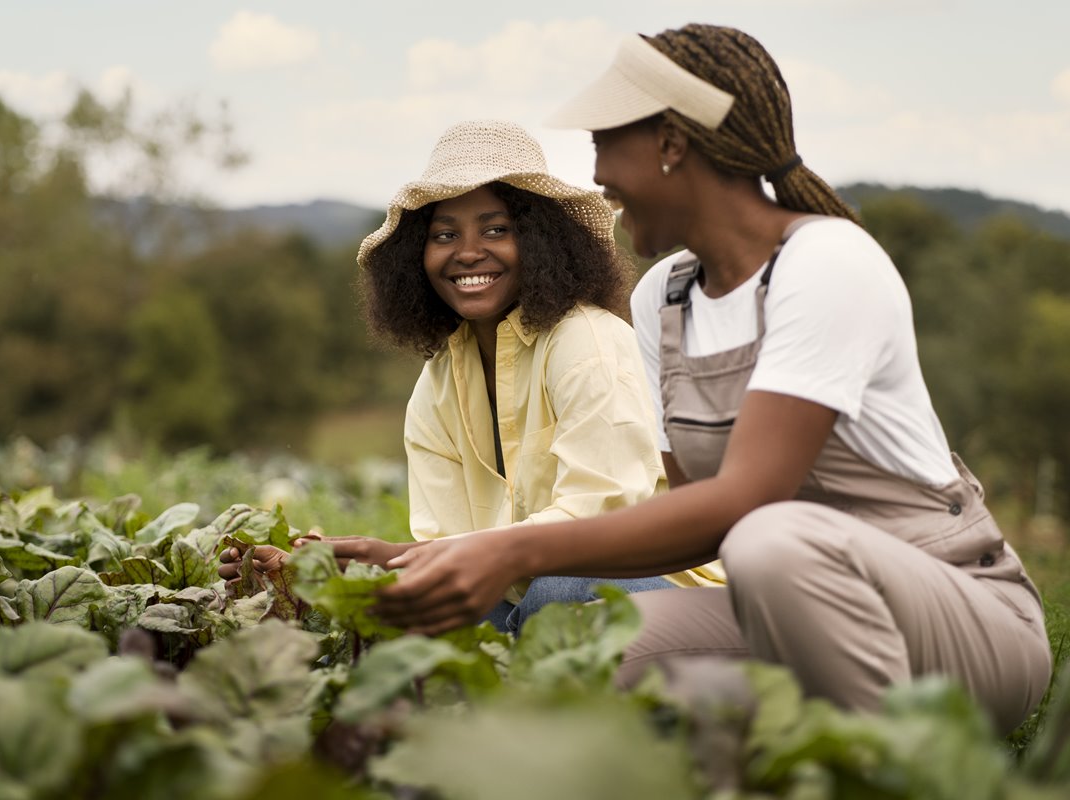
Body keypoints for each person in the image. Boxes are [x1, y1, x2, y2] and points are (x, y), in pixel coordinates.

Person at [372, 26, 1052, 731]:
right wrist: (408, 560)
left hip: (955, 626)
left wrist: (511, 548)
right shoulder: (664, 299)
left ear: (671, 144)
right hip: (779, 607)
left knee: (769, 538)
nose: (598, 171)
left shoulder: (825, 265)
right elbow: (683, 527)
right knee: (589, 646)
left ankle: (881, 762)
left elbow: (745, 502)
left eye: (606, 139)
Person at [219, 120, 724, 633]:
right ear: (417, 256)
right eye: (444, 235)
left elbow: (598, 525)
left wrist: (393, 556)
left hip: (657, 589)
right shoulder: (439, 381)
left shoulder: (585, 340)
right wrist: (328, 571)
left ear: (540, 240)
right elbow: (452, 557)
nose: (467, 252)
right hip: (530, 594)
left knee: (561, 588)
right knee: (430, 608)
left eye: (495, 229)